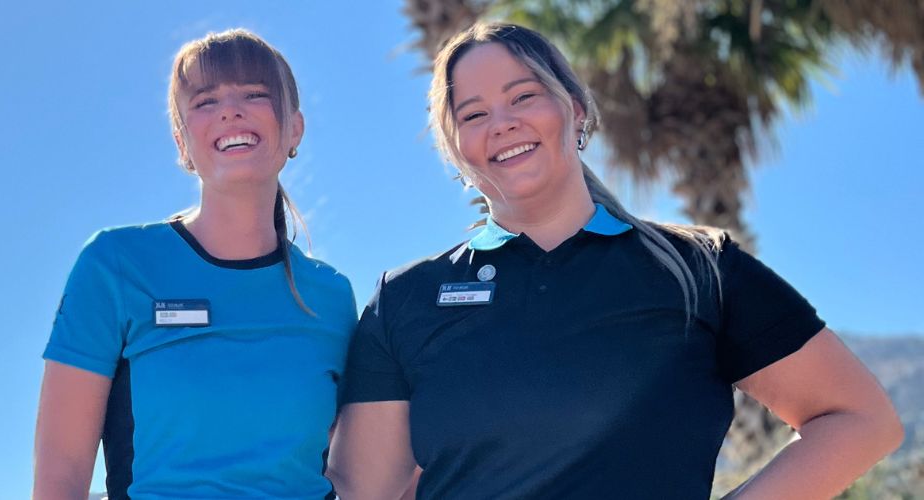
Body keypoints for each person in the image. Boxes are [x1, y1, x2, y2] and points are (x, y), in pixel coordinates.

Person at [327, 22, 903, 499]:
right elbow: (364, 493)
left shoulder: (699, 271)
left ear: (576, 110)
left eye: (524, 96)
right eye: (472, 114)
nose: (502, 122)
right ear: (456, 151)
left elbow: (860, 419)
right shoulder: (405, 299)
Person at [32, 29, 356, 500]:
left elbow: (358, 468)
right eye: (206, 101)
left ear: (294, 129)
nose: (230, 110)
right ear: (182, 141)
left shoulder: (331, 296)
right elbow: (60, 474)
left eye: (254, 93)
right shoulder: (114, 266)